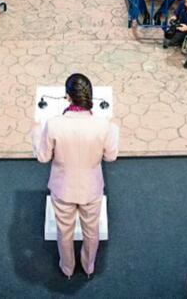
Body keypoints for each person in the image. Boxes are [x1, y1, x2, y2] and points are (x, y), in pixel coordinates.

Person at [32, 73, 119, 280]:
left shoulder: (53, 124)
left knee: (65, 232)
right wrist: (114, 129)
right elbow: (111, 156)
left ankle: (67, 268)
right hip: (91, 188)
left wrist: (36, 132)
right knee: (91, 231)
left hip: (63, 189)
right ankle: (88, 267)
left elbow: (43, 157)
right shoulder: (104, 126)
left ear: (68, 97)